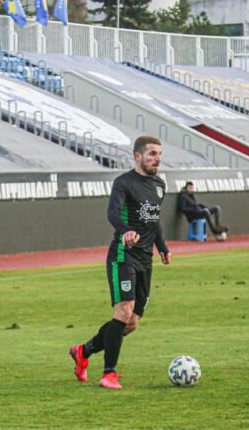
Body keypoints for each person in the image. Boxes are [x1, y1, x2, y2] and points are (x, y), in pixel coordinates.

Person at [69, 135, 171, 390]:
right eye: (152, 154)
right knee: (124, 311)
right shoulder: (124, 183)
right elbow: (112, 212)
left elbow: (154, 219)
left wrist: (162, 247)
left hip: (145, 259)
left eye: (159, 154)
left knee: (131, 322)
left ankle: (83, 351)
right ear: (138, 156)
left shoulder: (159, 185)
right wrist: (126, 230)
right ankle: (109, 374)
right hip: (123, 256)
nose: (157, 159)